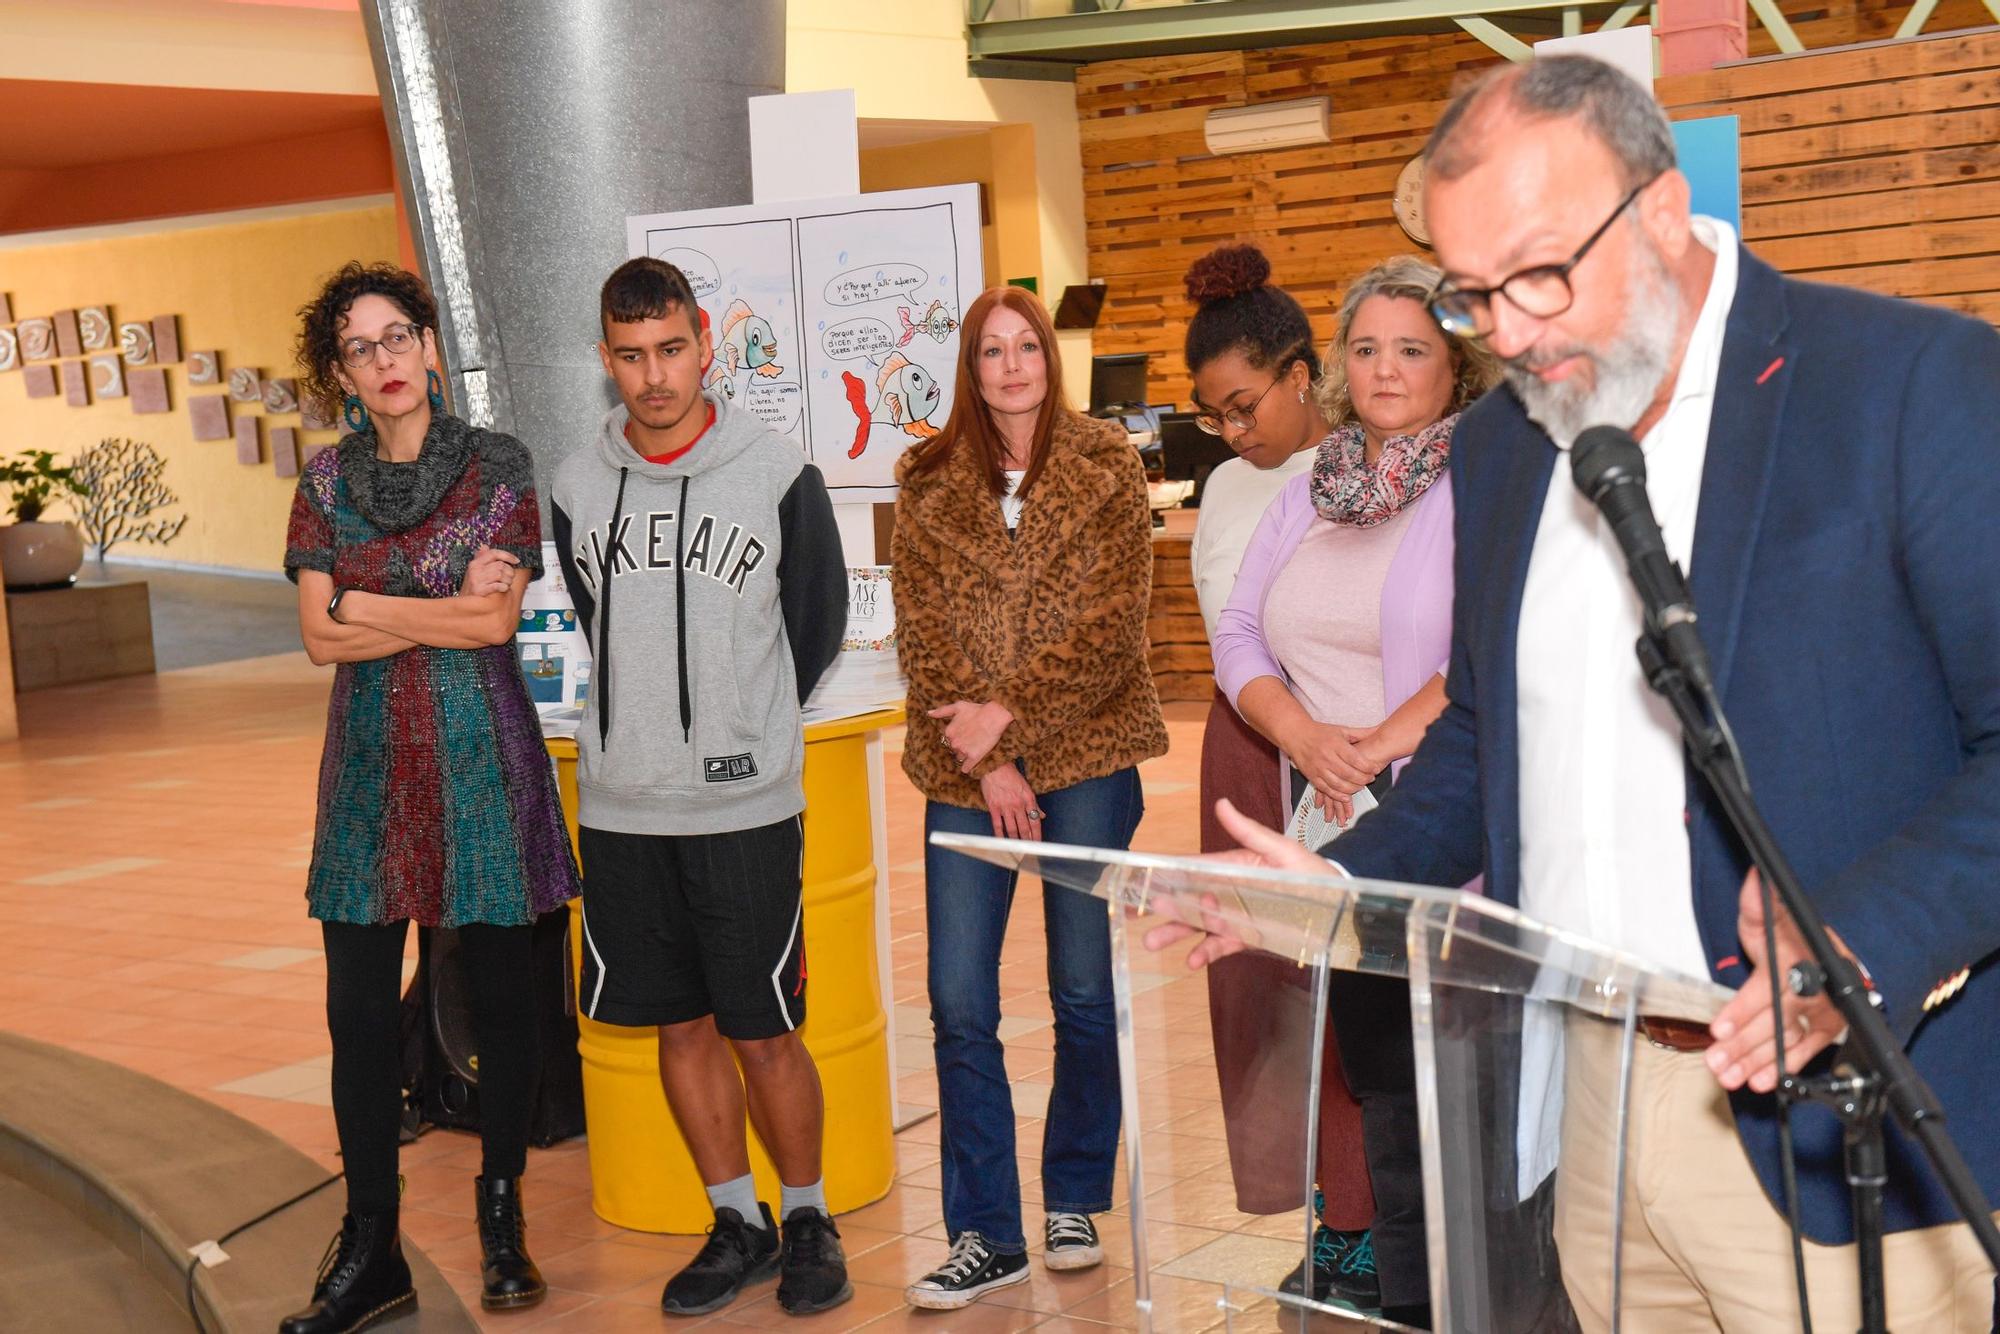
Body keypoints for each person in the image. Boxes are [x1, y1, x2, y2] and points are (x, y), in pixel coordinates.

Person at [1173, 56, 2000, 1331]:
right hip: (1598, 1103)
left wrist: (1863, 939)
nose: (1505, 330)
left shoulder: (1905, 388)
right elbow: (1483, 738)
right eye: (1472, 295)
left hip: (1842, 1126)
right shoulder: (1507, 443)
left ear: (1661, 209)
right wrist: (1340, 879)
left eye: (1537, 274)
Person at [281, 262, 581, 1331]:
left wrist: (365, 595)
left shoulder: (496, 463)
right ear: (341, 373)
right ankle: (371, 1246)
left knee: (502, 999)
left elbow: (494, 627)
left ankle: (502, 1212)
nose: (385, 359)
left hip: (479, 761)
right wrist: (427, 604)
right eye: (360, 347)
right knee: (357, 1015)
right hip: (366, 770)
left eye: (397, 334)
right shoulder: (324, 480)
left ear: (427, 342)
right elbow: (320, 641)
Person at [550, 257, 849, 1318]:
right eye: (630, 356)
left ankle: (807, 1213)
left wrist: (735, 725)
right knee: (677, 1024)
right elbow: (594, 620)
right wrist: (643, 735)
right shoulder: (576, 486)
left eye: (670, 348)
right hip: (626, 808)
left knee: (761, 1026)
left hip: (743, 807)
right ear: (605, 360)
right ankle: (737, 1218)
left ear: (704, 342)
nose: (653, 375)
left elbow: (813, 627)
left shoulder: (774, 472)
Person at [1208, 252, 1495, 1327]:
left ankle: (1470, 1296)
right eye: (1364, 346)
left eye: (1410, 348)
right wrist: (1303, 735)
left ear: (1454, 364)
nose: (1382, 367)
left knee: (1453, 1097)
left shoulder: (1483, 482)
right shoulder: (1310, 488)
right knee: (1379, 1081)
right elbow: (1238, 630)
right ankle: (1408, 1299)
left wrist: (1371, 745)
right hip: (1324, 820)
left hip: (1439, 828)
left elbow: (1482, 642)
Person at [892, 284, 1168, 1310]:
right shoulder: (924, 480)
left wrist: (1007, 717)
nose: (1010, 365)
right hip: (965, 770)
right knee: (960, 1000)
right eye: (989, 351)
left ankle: (1071, 1195)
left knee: (1082, 989)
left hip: (1088, 755)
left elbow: (1110, 630)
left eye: (1025, 347)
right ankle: (982, 1229)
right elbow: (921, 637)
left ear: (1048, 358)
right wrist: (987, 759)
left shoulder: (1106, 466)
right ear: (967, 371)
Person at [1180, 242, 1380, 1309]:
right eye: (1213, 413)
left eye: (1244, 403)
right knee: (1261, 997)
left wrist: (1327, 742)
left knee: (1347, 995)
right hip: (1239, 750)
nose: (1232, 430)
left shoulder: (1362, 468)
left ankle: (1366, 1219)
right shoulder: (1220, 485)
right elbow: (1228, 632)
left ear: (1303, 373)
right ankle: (1319, 1204)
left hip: (1334, 749)